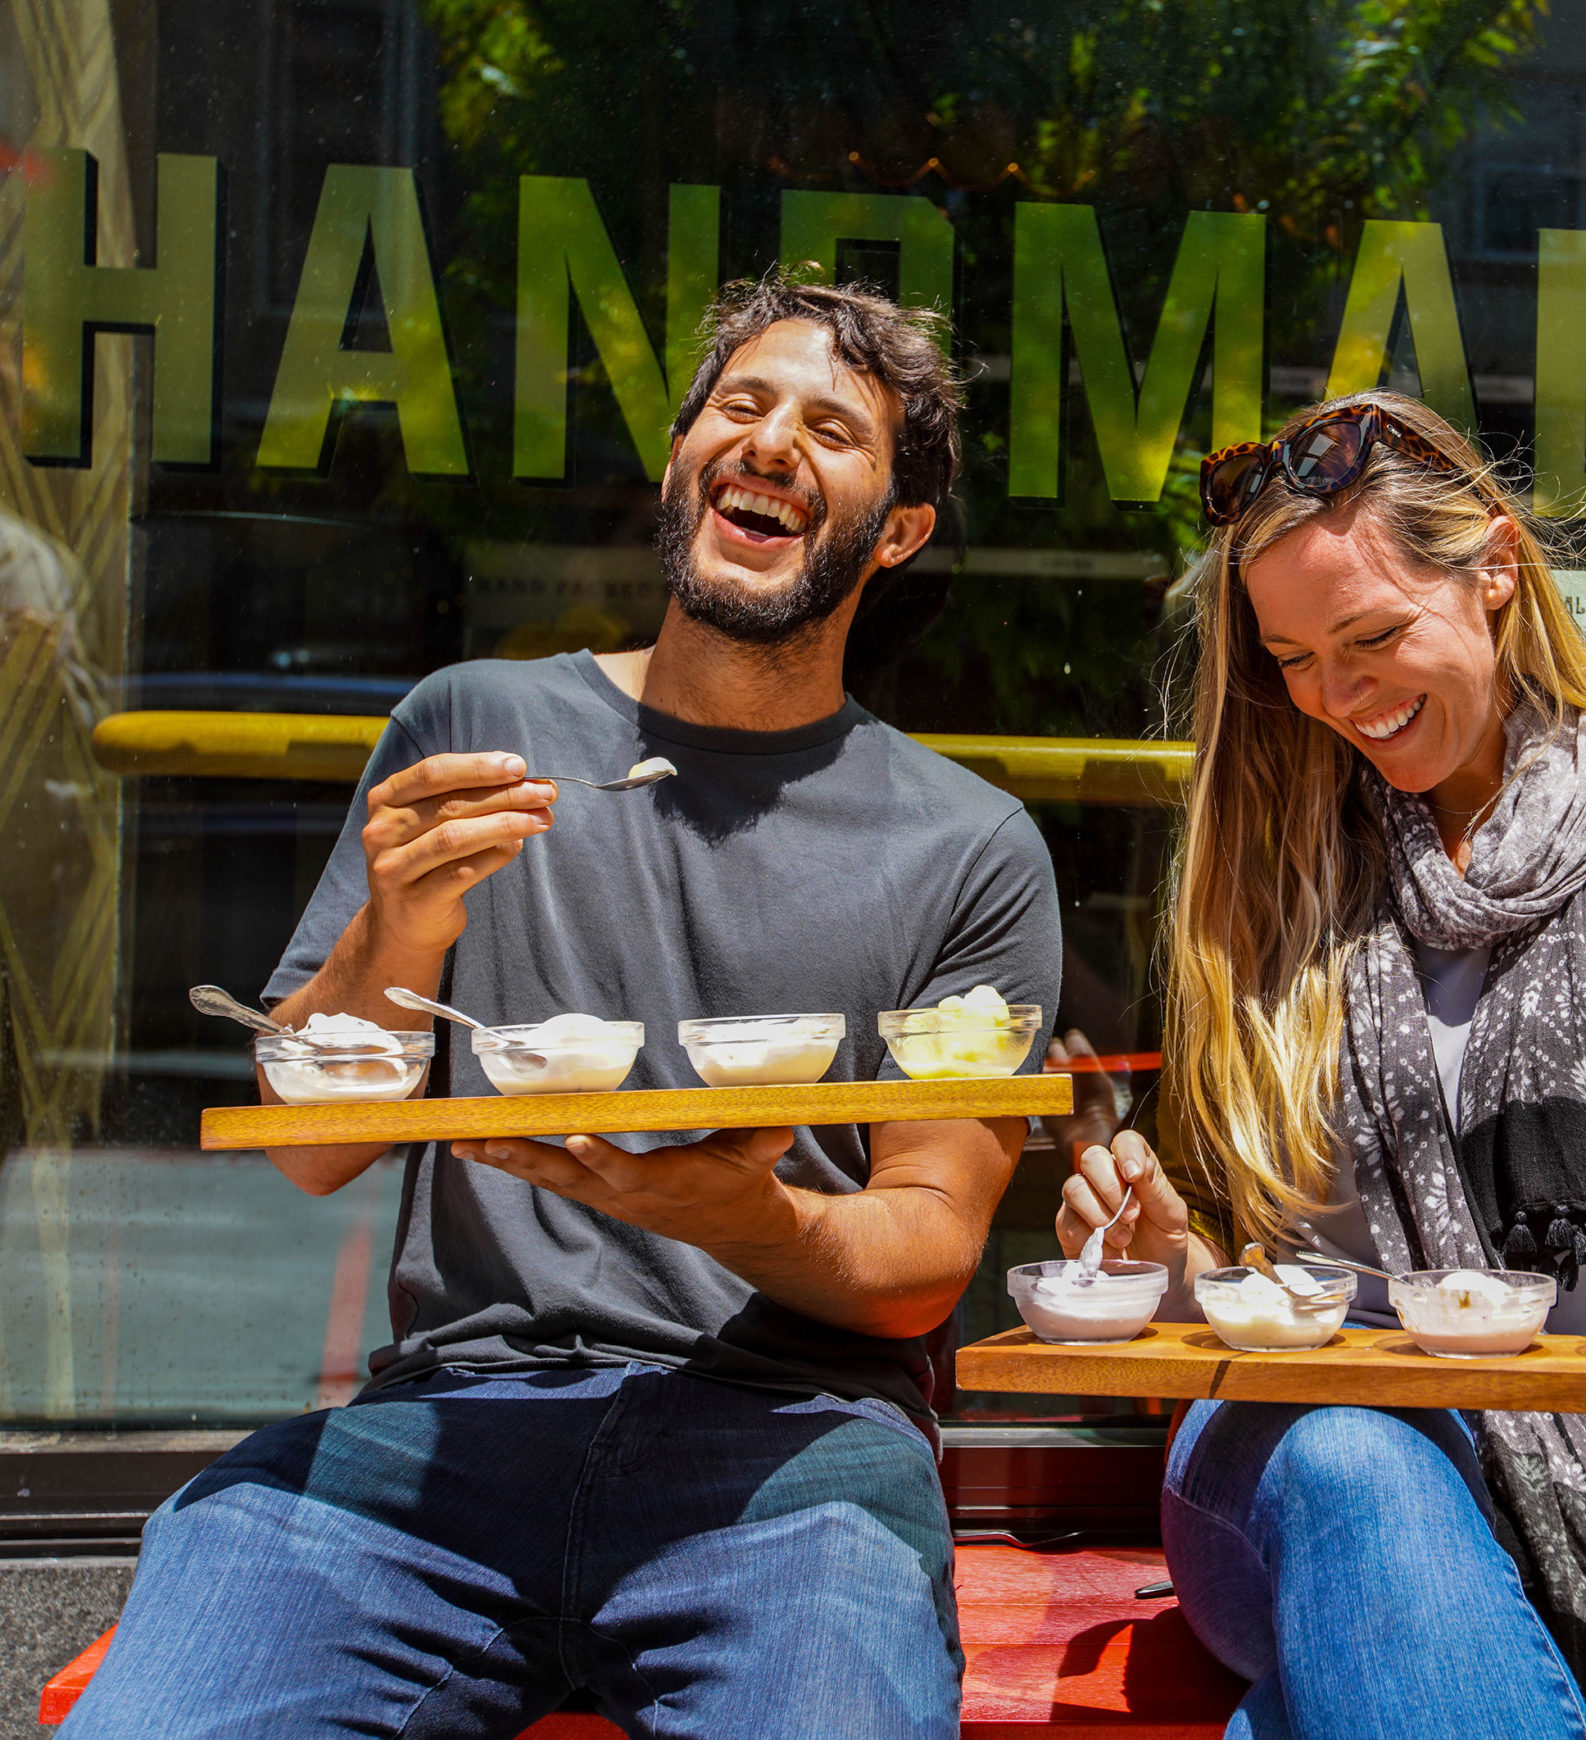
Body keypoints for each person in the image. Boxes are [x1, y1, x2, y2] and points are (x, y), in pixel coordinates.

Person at [62, 276, 1062, 1739]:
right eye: (740, 405)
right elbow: (312, 1142)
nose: (769, 443)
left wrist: (741, 1217)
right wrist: (400, 924)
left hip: (793, 1460)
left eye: (831, 428)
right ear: (681, 459)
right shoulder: (476, 727)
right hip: (443, 1430)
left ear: (898, 528)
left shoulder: (967, 845)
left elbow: (921, 1260)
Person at [1057, 389, 1586, 1740]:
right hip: (1307, 1446)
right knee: (1357, 1459)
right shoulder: (1270, 873)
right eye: (1291, 658)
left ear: (1500, 570)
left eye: (1375, 635)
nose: (1339, 699)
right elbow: (1228, 1241)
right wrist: (1164, 1254)